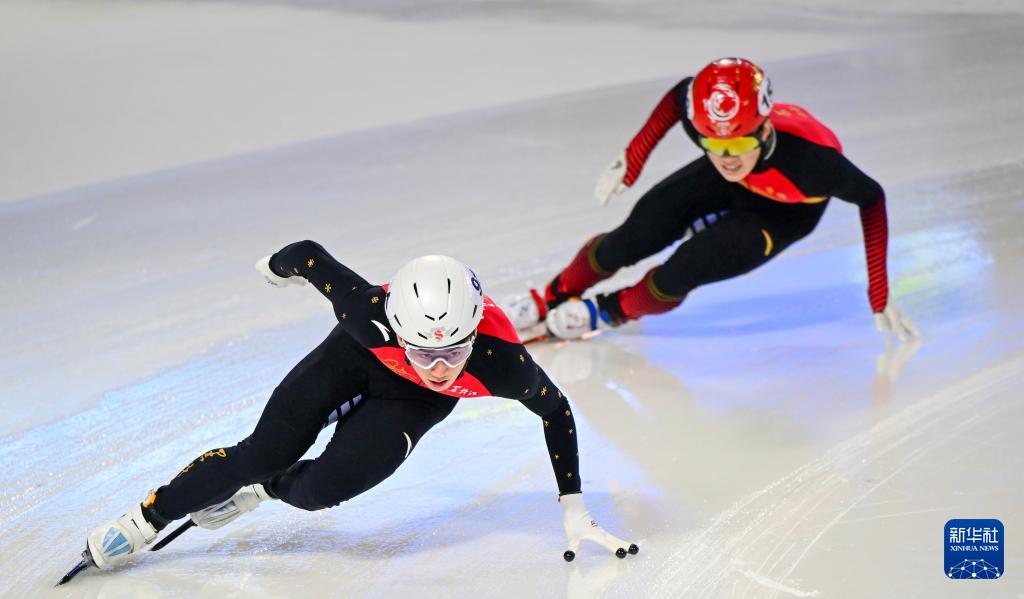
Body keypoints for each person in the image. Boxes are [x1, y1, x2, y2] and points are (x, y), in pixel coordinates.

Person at [77, 242, 637, 576]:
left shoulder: (502, 362)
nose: (439, 367)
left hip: (414, 405)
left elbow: (556, 411)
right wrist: (274, 266)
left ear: (474, 335)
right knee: (263, 452)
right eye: (424, 351)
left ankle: (265, 491)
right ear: (397, 327)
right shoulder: (366, 310)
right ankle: (146, 519)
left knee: (322, 491)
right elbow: (307, 255)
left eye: (454, 352)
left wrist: (573, 505)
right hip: (356, 358)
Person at [506, 57, 919, 342]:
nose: (727, 158)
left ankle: (607, 311)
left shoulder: (814, 164)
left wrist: (878, 289)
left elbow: (872, 199)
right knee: (632, 237)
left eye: (738, 143)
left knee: (685, 268)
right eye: (713, 144)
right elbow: (678, 97)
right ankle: (552, 294)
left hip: (783, 212)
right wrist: (632, 160)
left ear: (763, 130)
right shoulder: (713, 132)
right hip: (732, 187)